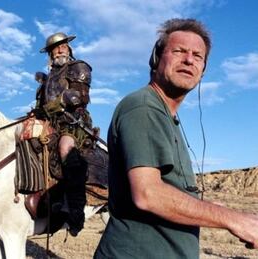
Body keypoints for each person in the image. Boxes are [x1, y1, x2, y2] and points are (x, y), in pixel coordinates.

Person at [94, 18, 258, 258]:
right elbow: (148, 193)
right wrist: (234, 220)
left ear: (203, 70)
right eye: (179, 51)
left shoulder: (165, 115)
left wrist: (220, 211)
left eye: (197, 56)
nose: (189, 60)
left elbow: (170, 190)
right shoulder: (143, 108)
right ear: (157, 59)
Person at [33, 32, 93, 236]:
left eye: (63, 46)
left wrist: (52, 106)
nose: (60, 50)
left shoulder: (78, 67)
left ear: (69, 48)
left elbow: (78, 97)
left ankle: (75, 211)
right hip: (51, 123)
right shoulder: (47, 79)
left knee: (65, 147)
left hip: (74, 123)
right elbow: (41, 107)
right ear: (50, 53)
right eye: (55, 48)